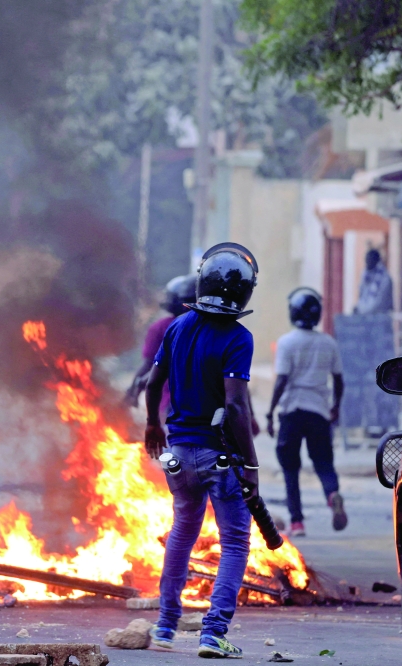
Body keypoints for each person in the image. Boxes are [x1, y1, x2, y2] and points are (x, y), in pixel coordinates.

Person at [144, 242, 260, 659]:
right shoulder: (238, 337)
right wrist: (251, 464)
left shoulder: (176, 328)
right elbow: (234, 405)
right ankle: (213, 634)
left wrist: (152, 425)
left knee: (182, 535)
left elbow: (152, 384)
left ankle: (164, 627)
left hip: (177, 453)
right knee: (234, 542)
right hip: (219, 457)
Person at [266, 288, 346, 537]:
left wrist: (270, 412)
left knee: (291, 469)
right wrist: (335, 407)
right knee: (323, 462)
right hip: (319, 411)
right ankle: (332, 494)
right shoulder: (328, 343)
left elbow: (281, 380)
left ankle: (297, 522)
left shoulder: (287, 343)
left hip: (292, 411)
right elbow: (339, 380)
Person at [124, 274, 197, 414]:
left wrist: (132, 392)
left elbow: (148, 364)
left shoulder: (161, 327)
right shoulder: (215, 330)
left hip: (171, 404)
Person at [354, 248, 393, 314]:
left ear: (376, 261)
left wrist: (363, 310)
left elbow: (379, 303)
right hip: (366, 316)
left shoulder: (384, 279)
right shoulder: (366, 276)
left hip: (380, 317)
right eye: (366, 260)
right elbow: (362, 296)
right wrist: (358, 308)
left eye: (369, 260)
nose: (367, 263)